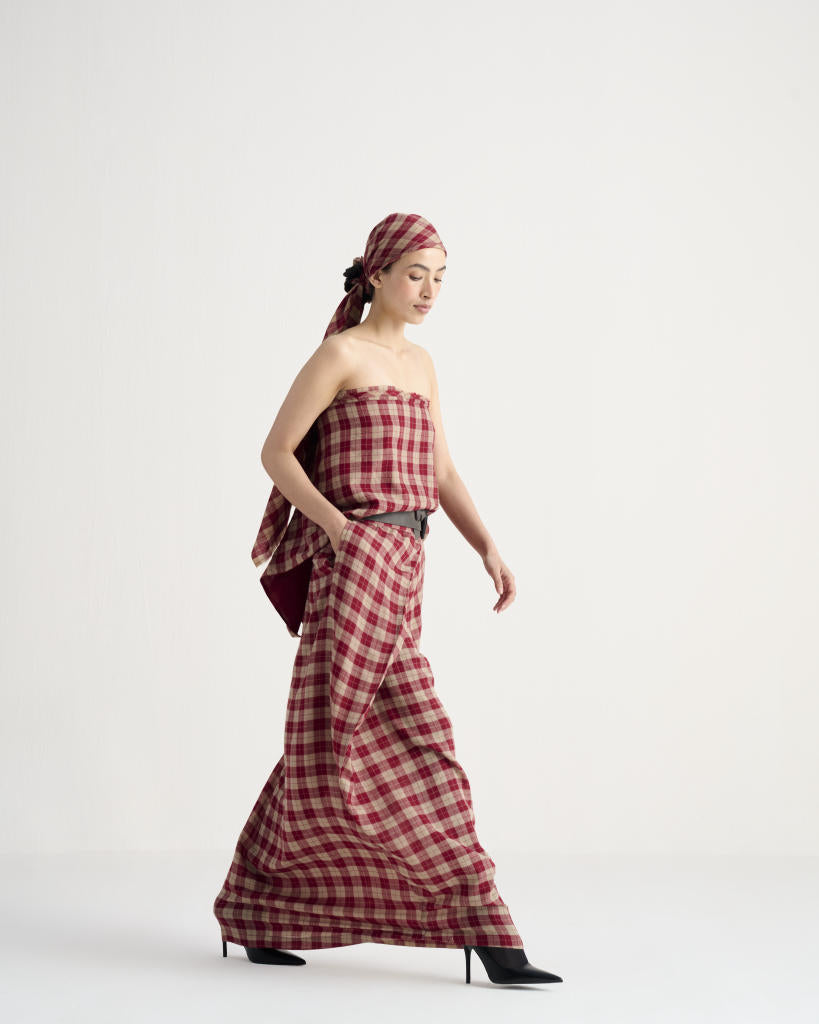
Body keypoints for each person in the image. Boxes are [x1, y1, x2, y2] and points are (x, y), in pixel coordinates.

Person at [213, 212, 563, 986]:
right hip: (357, 559)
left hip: (408, 561)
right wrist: (338, 528)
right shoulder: (340, 354)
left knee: (326, 740)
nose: (430, 290)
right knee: (411, 736)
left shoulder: (422, 364)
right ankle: (489, 930)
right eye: (415, 274)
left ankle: (256, 907)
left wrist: (487, 547)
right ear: (375, 275)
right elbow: (276, 453)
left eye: (440, 278)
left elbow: (441, 472)